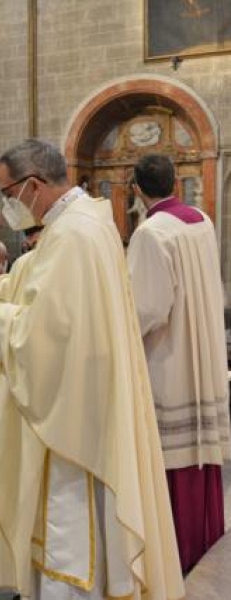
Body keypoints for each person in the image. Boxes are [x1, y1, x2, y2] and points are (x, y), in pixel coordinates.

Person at [0, 139, 185, 600]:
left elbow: (54, 331)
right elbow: (21, 280)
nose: (7, 205)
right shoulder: (80, 222)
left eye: (7, 193)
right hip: (83, 396)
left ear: (32, 185)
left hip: (77, 415)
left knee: (71, 526)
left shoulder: (73, 234)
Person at [127, 154, 231, 574]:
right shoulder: (201, 220)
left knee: (172, 460)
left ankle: (174, 557)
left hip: (169, 359)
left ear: (136, 189)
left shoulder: (151, 232)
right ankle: (203, 541)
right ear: (174, 182)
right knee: (198, 456)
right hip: (202, 352)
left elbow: (146, 308)